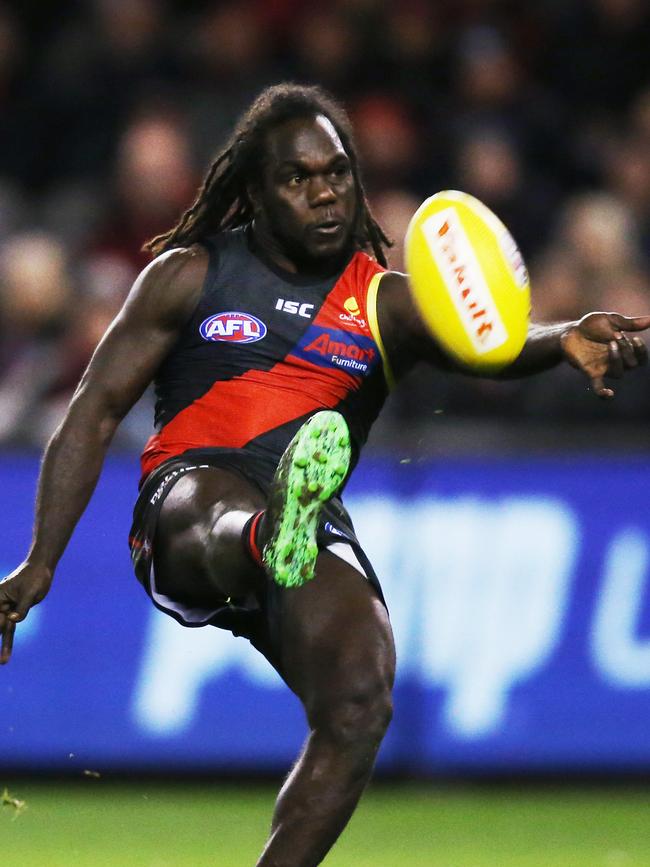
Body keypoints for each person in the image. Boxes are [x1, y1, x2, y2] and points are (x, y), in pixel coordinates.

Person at [1, 83, 649, 866]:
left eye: (337, 174)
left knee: (360, 697)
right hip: (188, 500)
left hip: (309, 529)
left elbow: (492, 343)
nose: (325, 194)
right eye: (298, 178)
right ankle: (267, 533)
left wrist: (565, 337)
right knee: (215, 508)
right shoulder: (188, 274)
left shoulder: (383, 302)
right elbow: (93, 411)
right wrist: (40, 560)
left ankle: (284, 537)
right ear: (255, 190)